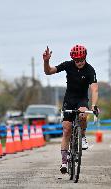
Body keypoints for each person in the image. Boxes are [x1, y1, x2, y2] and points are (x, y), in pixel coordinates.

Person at [42, 45, 99, 174]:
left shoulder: (90, 70)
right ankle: (64, 162)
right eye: (76, 60)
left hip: (82, 100)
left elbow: (94, 89)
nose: (78, 63)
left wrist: (94, 106)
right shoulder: (68, 65)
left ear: (85, 58)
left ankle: (82, 136)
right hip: (69, 100)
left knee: (83, 114)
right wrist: (46, 61)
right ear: (73, 59)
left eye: (81, 60)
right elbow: (48, 71)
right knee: (67, 129)